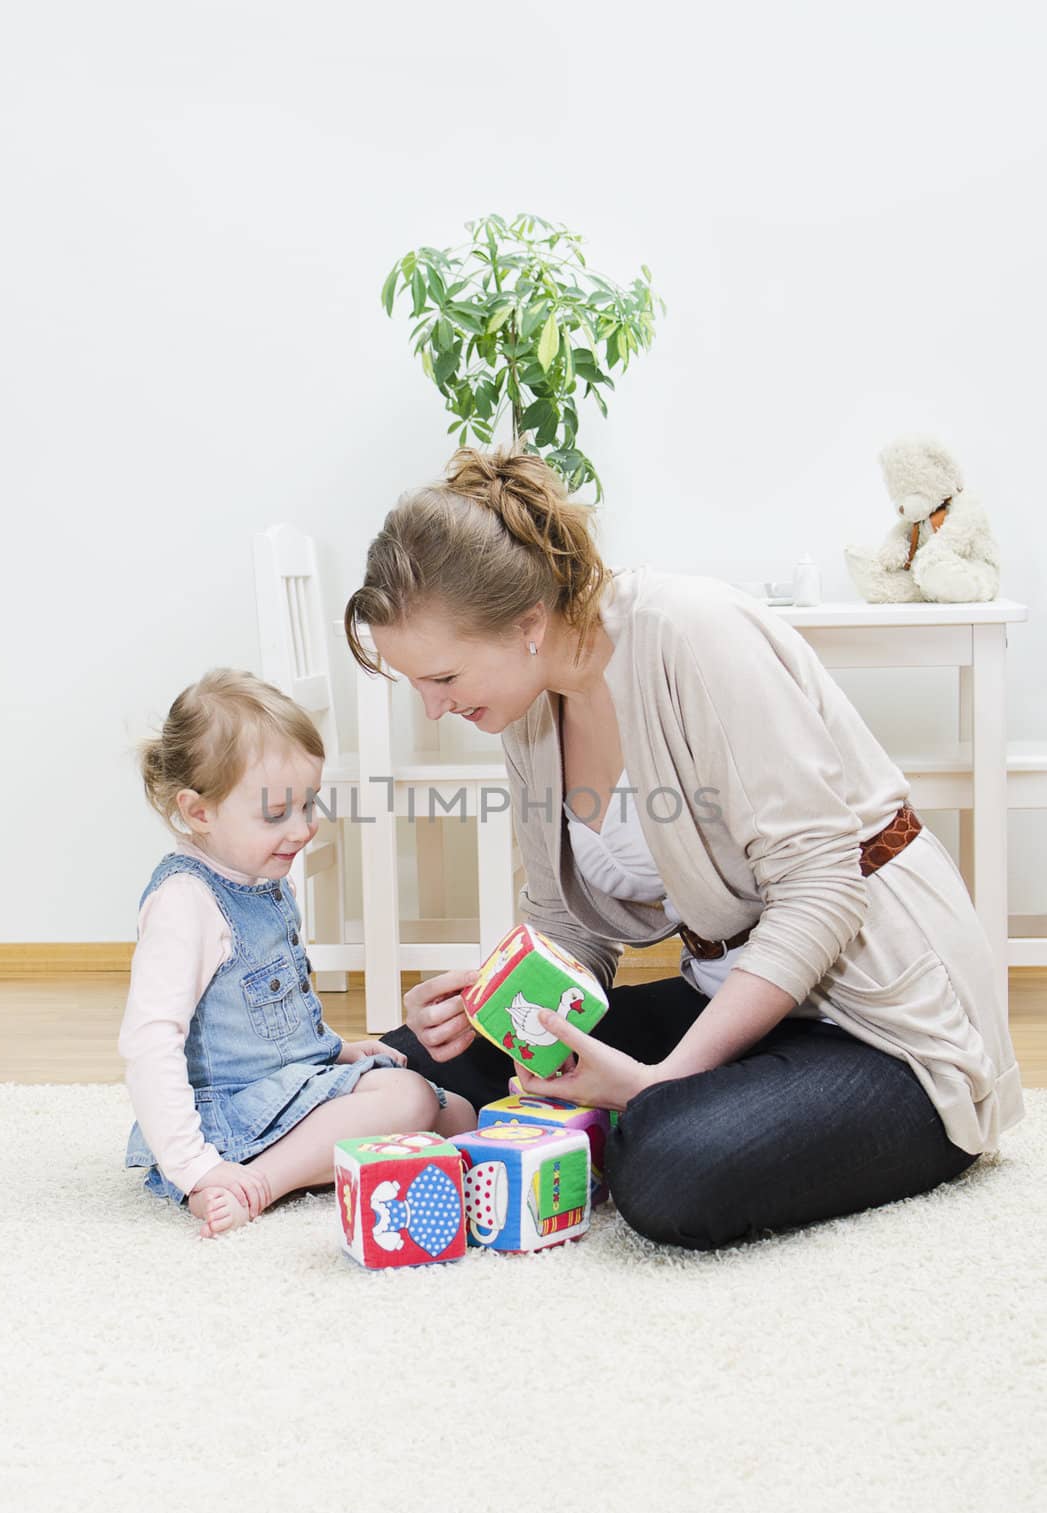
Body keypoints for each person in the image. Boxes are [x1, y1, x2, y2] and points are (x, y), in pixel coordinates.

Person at [343, 441, 1026, 1251]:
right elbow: (568, 923)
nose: (431, 708)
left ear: (526, 623)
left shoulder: (692, 633)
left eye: (443, 679)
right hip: (735, 999)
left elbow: (822, 890)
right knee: (410, 1058)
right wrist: (498, 1002)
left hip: (878, 1021)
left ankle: (677, 1111)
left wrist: (663, 1082)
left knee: (670, 1168)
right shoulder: (526, 706)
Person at [119, 667, 476, 1239]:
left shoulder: (258, 874)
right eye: (276, 814)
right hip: (229, 1119)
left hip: (285, 1089)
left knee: (457, 1113)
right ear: (198, 812)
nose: (303, 829)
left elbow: (270, 1014)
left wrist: (335, 1052)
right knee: (407, 1098)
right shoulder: (186, 900)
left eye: (309, 805)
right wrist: (196, 1167)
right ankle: (254, 1184)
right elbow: (150, 1043)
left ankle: (316, 1161)